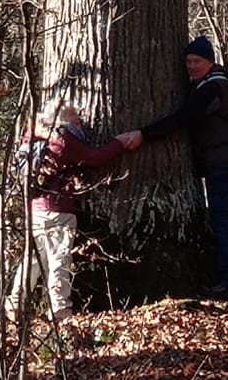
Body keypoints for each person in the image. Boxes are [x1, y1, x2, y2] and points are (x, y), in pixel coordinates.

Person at [128, 34, 228, 301]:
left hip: (223, 163)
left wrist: (144, 134)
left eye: (197, 61)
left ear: (209, 61)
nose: (191, 66)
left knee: (224, 219)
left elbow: (183, 117)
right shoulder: (216, 83)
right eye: (188, 61)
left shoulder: (212, 87)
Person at [8, 108, 140, 327]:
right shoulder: (63, 141)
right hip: (59, 211)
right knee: (59, 260)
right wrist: (118, 142)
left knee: (32, 260)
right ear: (64, 121)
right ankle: (60, 311)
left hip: (35, 211)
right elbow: (94, 158)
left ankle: (14, 304)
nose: (81, 125)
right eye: (77, 120)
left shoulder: (29, 142)